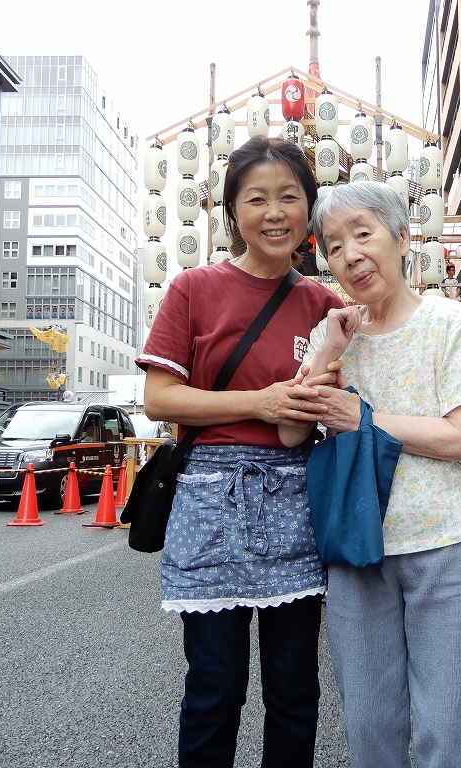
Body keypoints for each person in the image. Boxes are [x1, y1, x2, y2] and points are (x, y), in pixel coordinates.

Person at [281, 180, 461, 768]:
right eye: (333, 246)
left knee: (447, 729)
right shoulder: (335, 338)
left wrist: (366, 418)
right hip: (358, 549)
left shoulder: (447, 322)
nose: (349, 254)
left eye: (363, 233)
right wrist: (324, 349)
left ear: (403, 238)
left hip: (450, 544)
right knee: (369, 726)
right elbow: (290, 432)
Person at [138, 136, 345, 768]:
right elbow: (159, 399)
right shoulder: (193, 288)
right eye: (257, 198)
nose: (275, 212)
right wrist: (260, 404)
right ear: (234, 212)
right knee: (214, 689)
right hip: (210, 496)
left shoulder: (325, 305)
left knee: (293, 690)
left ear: (310, 209)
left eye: (291, 196)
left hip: (296, 496)